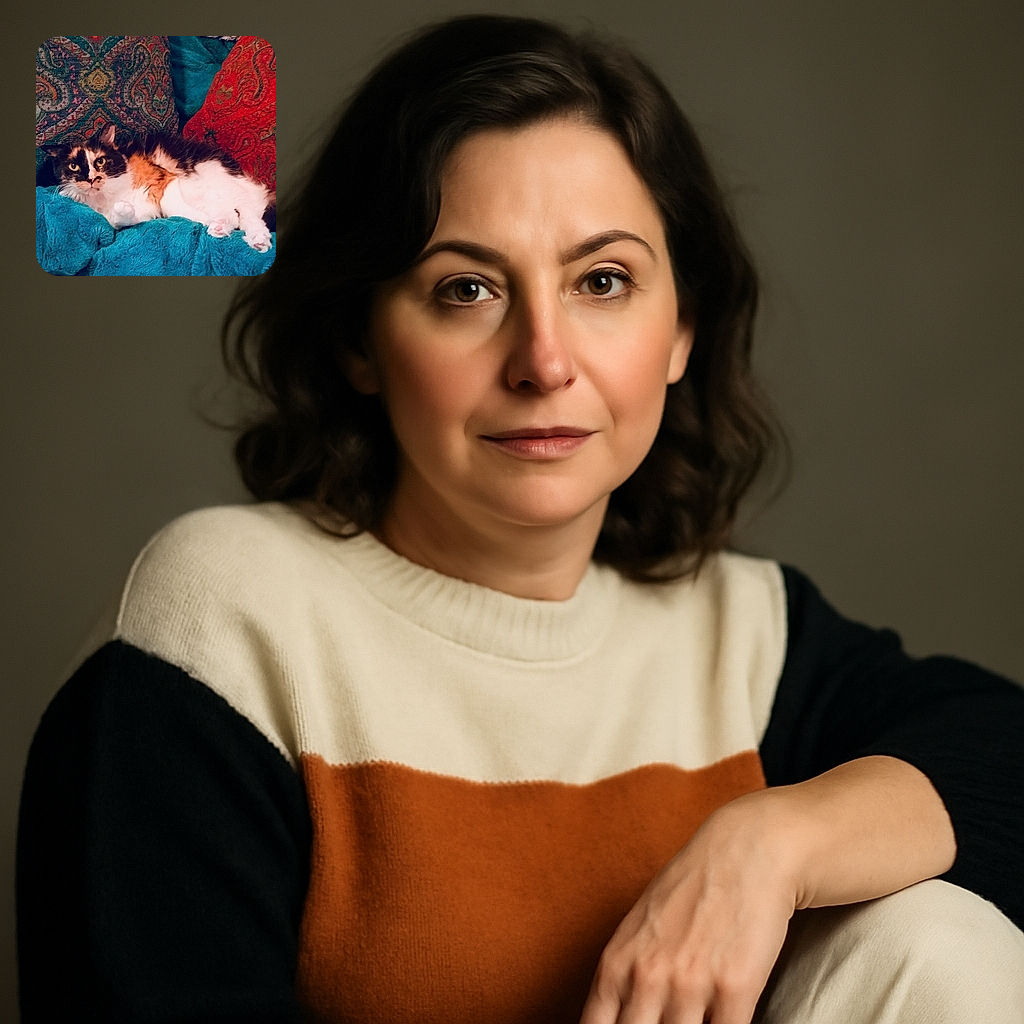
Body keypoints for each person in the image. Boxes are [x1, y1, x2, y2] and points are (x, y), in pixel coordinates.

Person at [17, 14, 1024, 1024]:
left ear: (682, 328)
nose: (544, 360)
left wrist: (770, 843)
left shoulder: (746, 639)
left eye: (602, 281)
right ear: (360, 339)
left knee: (934, 943)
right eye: (465, 288)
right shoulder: (223, 623)